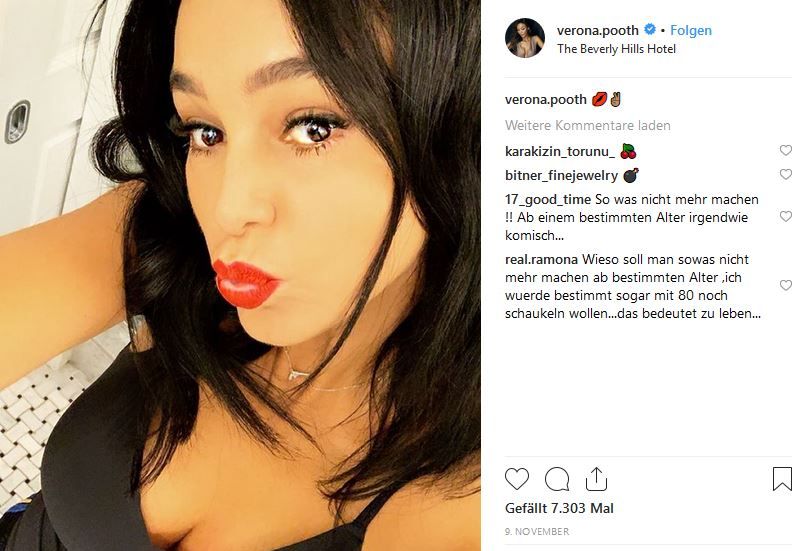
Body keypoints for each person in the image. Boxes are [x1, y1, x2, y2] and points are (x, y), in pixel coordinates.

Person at [0, 0, 480, 549]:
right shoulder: (167, 236)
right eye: (205, 131)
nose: (226, 208)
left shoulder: (475, 494)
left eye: (313, 128)